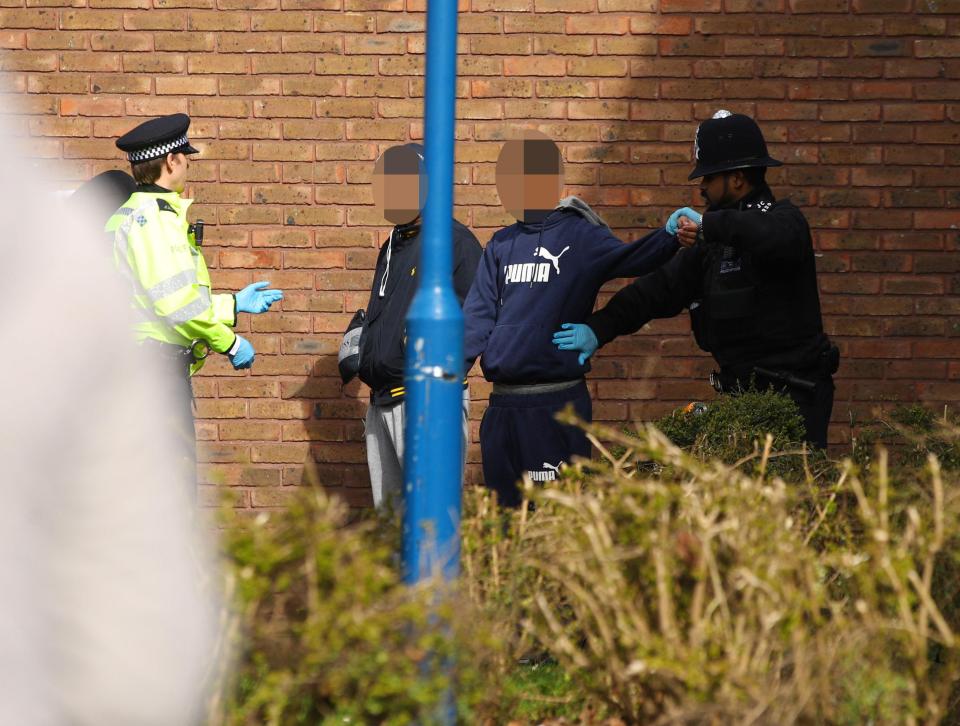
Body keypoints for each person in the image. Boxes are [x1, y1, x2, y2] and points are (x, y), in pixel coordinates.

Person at [554, 111, 839, 449]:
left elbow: (770, 235)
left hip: (795, 400)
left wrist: (708, 226)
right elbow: (653, 292)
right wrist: (597, 329)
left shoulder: (784, 223)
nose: (701, 186)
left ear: (737, 179)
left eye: (709, 177)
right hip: (743, 401)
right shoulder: (711, 248)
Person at [464, 131, 679, 508]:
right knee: (503, 520)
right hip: (502, 409)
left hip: (556, 405)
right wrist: (444, 375)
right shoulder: (500, 244)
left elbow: (631, 260)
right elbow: (476, 319)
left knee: (556, 516)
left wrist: (670, 235)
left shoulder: (581, 236)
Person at [105, 113, 284, 479]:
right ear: (171, 160)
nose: (187, 164)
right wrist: (230, 343)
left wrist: (231, 304)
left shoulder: (131, 215)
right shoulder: (153, 221)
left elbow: (161, 298)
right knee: (171, 491)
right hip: (155, 373)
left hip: (140, 369)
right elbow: (174, 304)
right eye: (185, 157)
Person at [353, 142, 482, 509]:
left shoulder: (455, 242)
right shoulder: (394, 244)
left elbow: (475, 321)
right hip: (382, 404)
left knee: (430, 521)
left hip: (425, 404)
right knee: (391, 528)